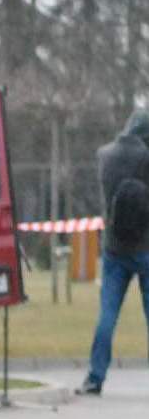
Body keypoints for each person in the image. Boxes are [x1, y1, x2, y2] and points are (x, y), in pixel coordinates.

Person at [77, 109, 149, 396]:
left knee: (107, 314)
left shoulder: (104, 155)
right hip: (146, 247)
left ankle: (95, 377)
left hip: (115, 248)